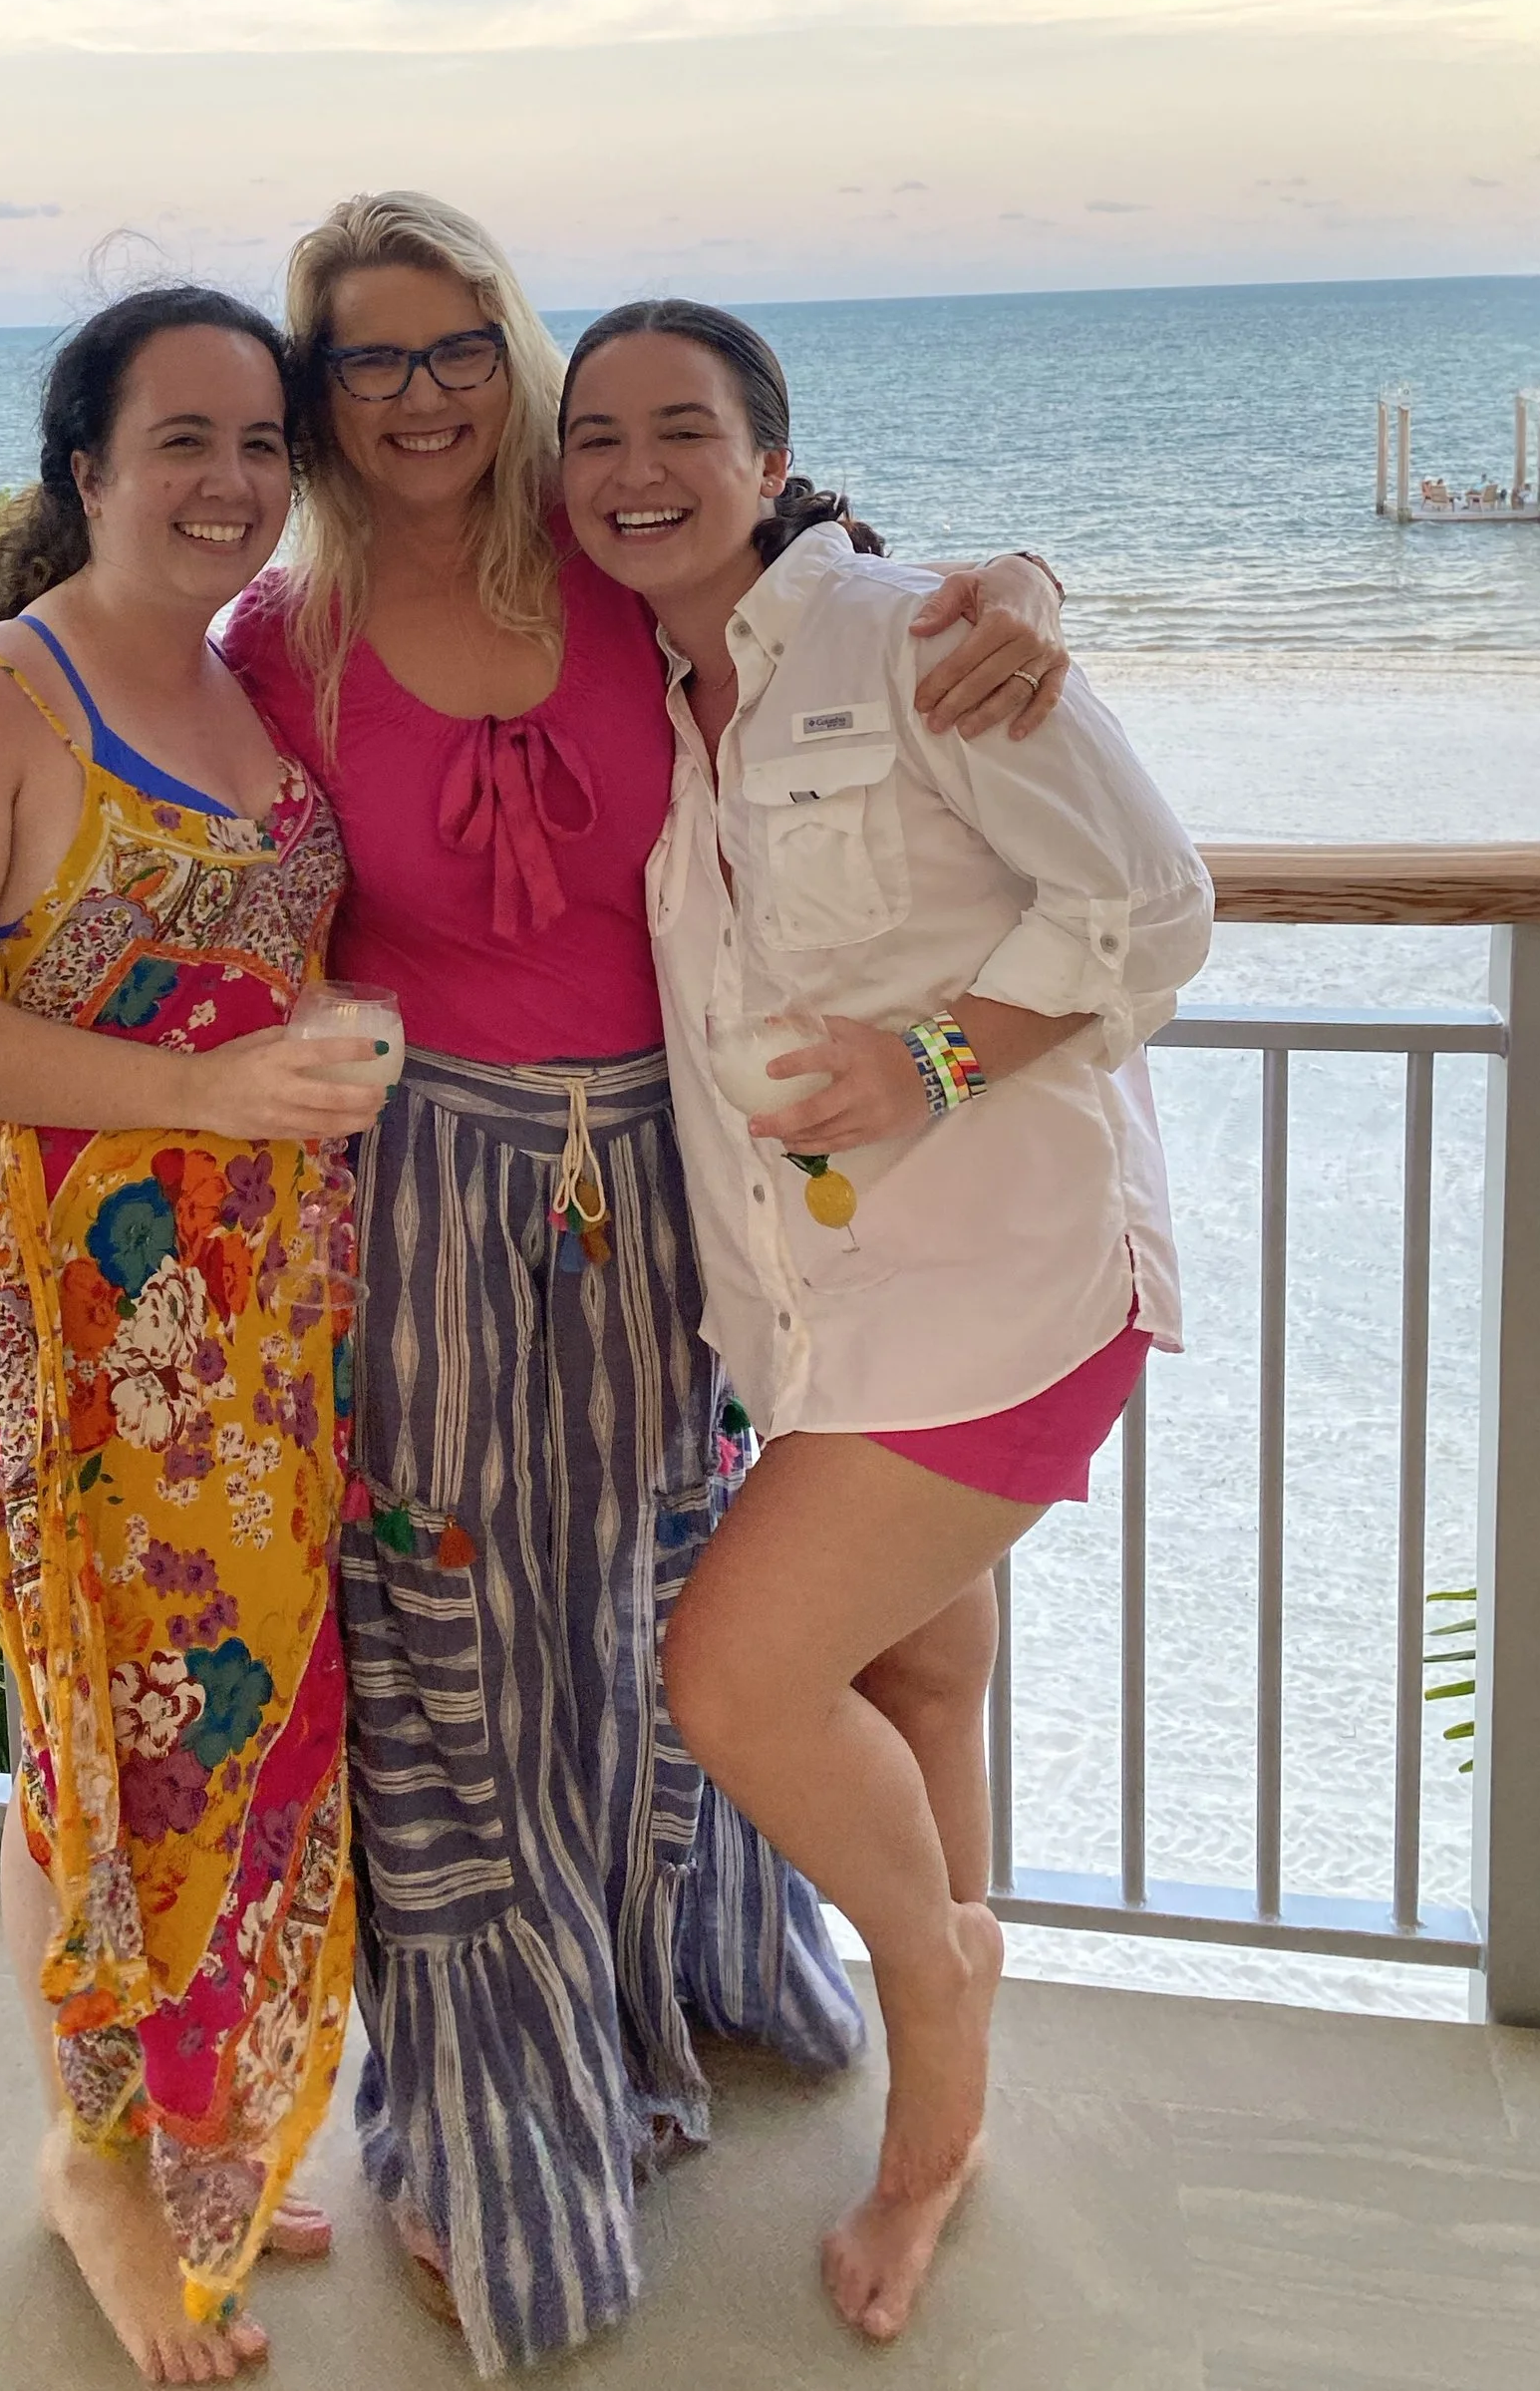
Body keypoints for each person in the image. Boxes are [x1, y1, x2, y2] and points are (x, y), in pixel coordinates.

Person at [219, 192, 1076, 2373]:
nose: (415, 399)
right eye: (363, 363)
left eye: (451, 353)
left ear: (507, 362)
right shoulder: (273, 642)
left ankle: (687, 1972)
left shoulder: (613, 572)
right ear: (315, 396)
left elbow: (857, 608)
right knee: (454, 1642)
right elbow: (93, 741)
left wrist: (1028, 598)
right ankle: (501, 2098)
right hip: (428, 1195)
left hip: (678, 1199)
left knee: (645, 1600)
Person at [555, 297, 1212, 2347]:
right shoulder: (643, 684)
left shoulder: (920, 632)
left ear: (768, 456)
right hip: (816, 1310)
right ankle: (945, 2098)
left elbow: (1155, 904)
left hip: (1001, 1285)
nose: (634, 467)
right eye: (594, 437)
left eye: (682, 426)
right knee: (915, 1677)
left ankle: (936, 1986)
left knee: (735, 1678)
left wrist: (928, 1053)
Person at [0, 286, 395, 2386]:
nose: (232, 482)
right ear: (84, 464)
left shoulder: (250, 678)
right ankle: (89, 2156)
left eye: (262, 443)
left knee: (237, 1727)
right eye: (182, 439)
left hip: (252, 1329)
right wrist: (213, 1097)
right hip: (64, 1328)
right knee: (100, 1739)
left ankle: (187, 2127)